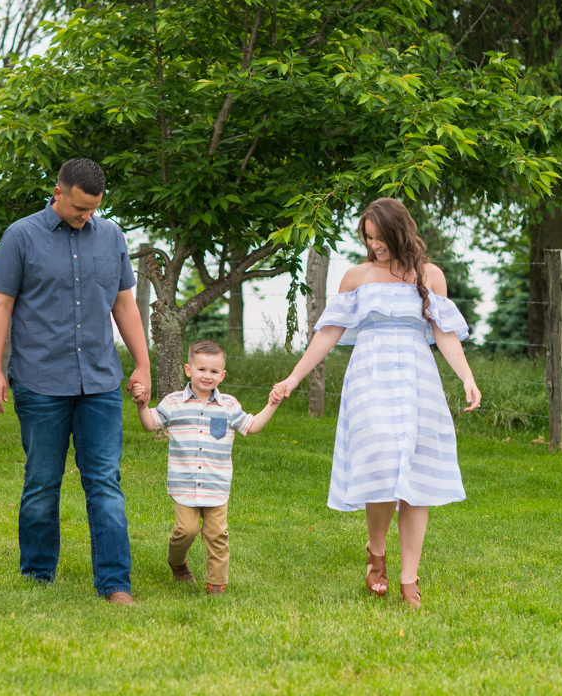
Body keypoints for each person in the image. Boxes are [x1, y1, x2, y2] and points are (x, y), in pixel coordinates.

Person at [270, 198, 481, 608]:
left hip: (417, 379)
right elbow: (328, 333)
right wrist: (293, 378)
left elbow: (445, 334)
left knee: (415, 477)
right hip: (369, 377)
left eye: (380, 237)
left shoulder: (429, 275)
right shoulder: (357, 277)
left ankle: (408, 579)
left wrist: (467, 378)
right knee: (383, 459)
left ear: (399, 232)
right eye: (368, 238)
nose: (374, 245)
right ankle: (377, 553)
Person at [0, 157, 152, 606]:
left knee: (105, 483)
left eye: (93, 208)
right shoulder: (21, 236)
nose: (86, 216)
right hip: (39, 380)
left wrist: (142, 364)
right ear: (58, 192)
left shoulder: (112, 236)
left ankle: (115, 584)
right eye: (79, 207)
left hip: (98, 381)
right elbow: (0, 305)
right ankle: (37, 576)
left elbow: (125, 305)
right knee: (42, 480)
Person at [132, 339, 279, 594]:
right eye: (201, 369)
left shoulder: (229, 406)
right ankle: (177, 563)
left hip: (216, 485)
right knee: (186, 531)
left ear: (222, 376)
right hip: (184, 484)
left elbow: (252, 426)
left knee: (217, 535)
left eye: (213, 372)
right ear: (188, 370)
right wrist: (142, 406)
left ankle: (217, 585)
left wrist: (272, 404)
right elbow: (149, 424)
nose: (207, 376)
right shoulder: (173, 402)